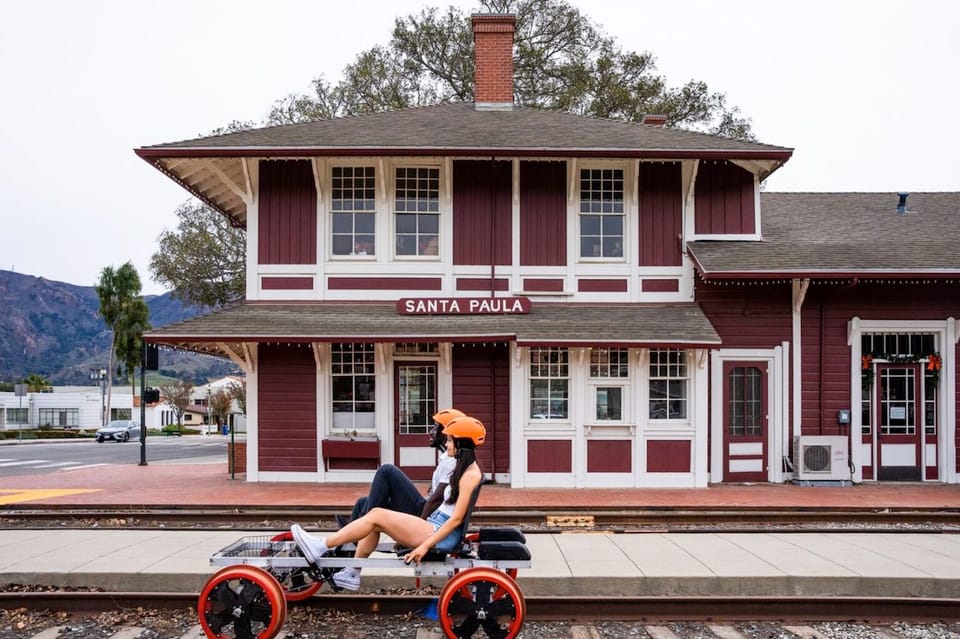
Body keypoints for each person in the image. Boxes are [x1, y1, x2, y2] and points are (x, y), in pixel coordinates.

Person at [292, 416, 486, 591]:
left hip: (441, 531)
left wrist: (424, 546)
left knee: (376, 514)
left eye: (451, 440)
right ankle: (352, 572)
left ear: (462, 443)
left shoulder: (470, 475)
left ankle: (321, 545)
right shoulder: (463, 467)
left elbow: (456, 519)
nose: (448, 443)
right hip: (436, 525)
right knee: (375, 517)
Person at [338, 408, 465, 527]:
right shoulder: (447, 458)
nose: (431, 431)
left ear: (446, 433)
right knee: (362, 503)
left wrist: (419, 524)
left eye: (435, 428)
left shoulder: (451, 461)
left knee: (386, 471)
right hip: (424, 508)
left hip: (425, 514)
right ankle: (352, 531)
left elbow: (437, 499)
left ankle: (362, 527)